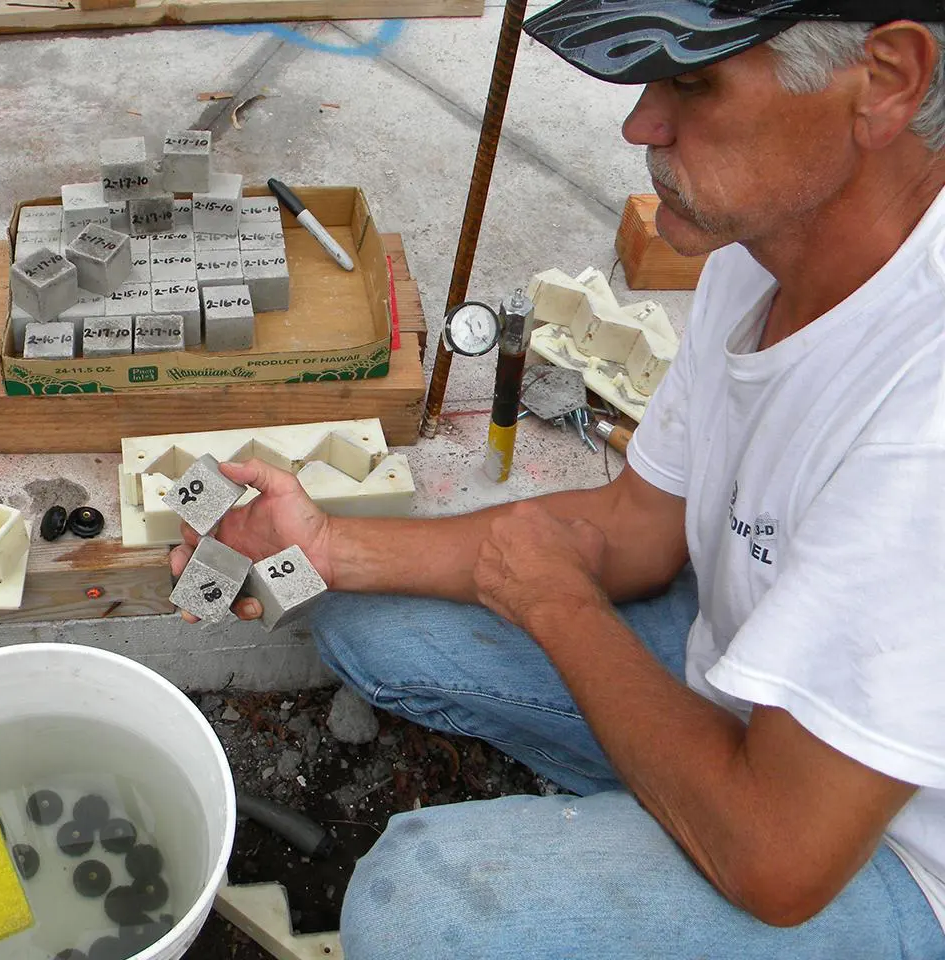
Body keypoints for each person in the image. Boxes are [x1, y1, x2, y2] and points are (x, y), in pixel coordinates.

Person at [169, 1, 945, 955]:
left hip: (881, 850)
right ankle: (666, 803)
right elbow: (637, 523)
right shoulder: (771, 245)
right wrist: (323, 543)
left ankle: (666, 826)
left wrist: (559, 608)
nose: (640, 125)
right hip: (756, 712)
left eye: (693, 82)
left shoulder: (926, 422)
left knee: (416, 907)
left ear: (888, 80)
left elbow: (778, 862)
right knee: (351, 606)